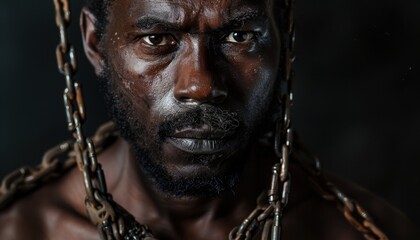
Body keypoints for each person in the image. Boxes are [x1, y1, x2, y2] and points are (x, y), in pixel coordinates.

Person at [0, 0, 418, 239]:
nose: (200, 85)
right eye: (156, 40)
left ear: (282, 38)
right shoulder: (22, 230)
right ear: (95, 43)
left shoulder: (364, 233)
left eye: (239, 37)